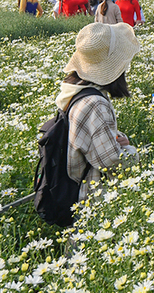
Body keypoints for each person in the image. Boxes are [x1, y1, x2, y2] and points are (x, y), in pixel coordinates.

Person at [60, 22, 141, 206]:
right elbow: (112, 162)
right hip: (94, 201)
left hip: (80, 193)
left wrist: (117, 139)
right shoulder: (95, 104)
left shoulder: (76, 91)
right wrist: (131, 152)